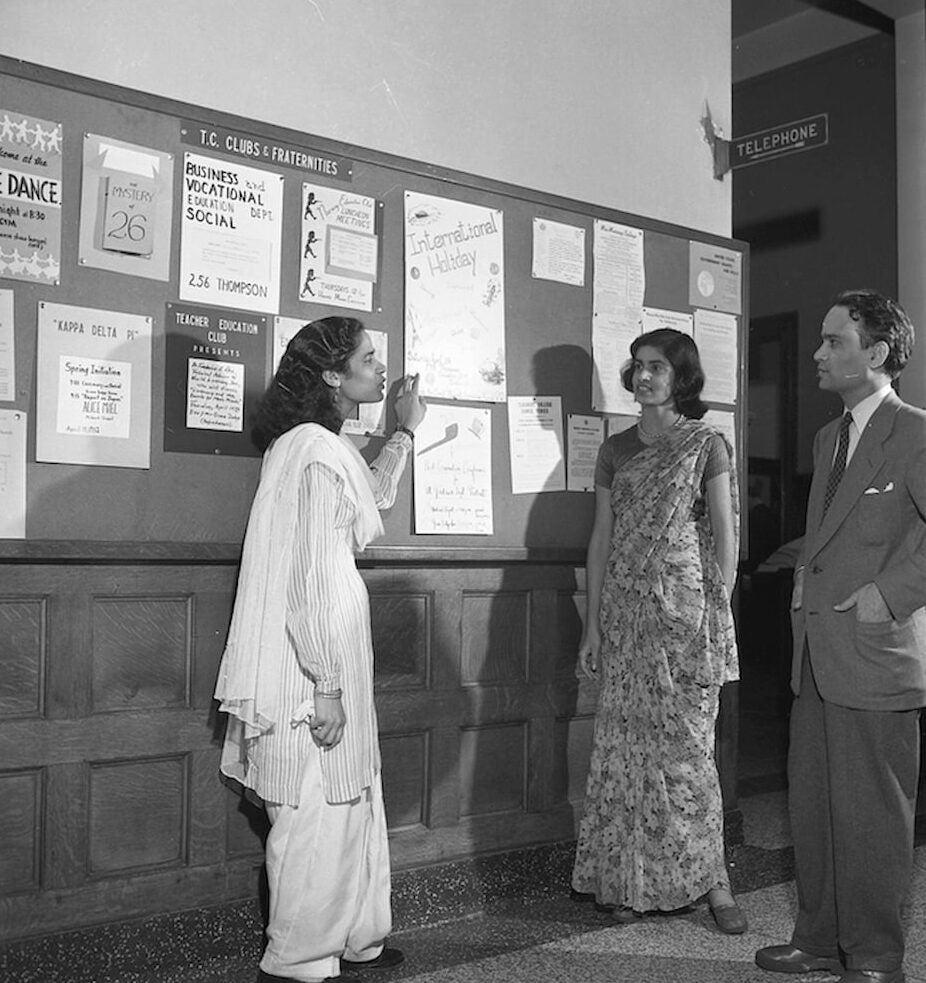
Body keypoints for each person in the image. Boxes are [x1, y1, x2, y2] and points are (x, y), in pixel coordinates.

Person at [213, 316, 426, 983]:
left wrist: (405, 428)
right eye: (368, 357)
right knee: (318, 808)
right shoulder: (310, 448)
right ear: (334, 375)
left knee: (353, 796)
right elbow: (308, 576)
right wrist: (325, 682)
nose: (380, 366)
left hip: (327, 652)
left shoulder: (317, 446)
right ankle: (298, 960)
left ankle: (357, 935)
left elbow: (374, 492)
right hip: (310, 664)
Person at [756, 290, 926, 983]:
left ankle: (878, 955)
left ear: (876, 354)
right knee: (816, 805)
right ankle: (819, 939)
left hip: (875, 652)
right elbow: (832, 539)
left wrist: (889, 595)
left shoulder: (915, 432)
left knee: (875, 818)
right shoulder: (830, 437)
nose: (819, 354)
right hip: (815, 657)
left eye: (834, 341)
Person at [572, 328, 745, 934]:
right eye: (638, 366)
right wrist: (591, 626)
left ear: (681, 377)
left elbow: (727, 537)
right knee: (625, 753)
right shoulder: (615, 450)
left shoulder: (705, 443)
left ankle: (714, 880)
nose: (644, 377)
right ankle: (630, 881)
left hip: (686, 618)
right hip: (626, 616)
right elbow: (601, 539)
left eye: (658, 368)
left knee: (689, 754)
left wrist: (712, 619)